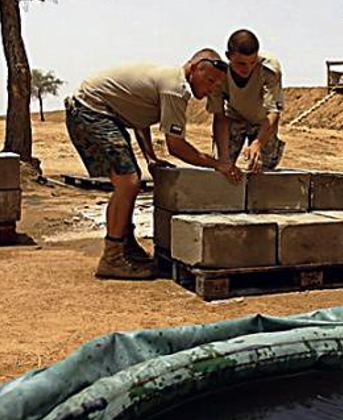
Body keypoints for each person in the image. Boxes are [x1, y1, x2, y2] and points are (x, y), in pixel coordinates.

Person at [66, 49, 242, 280]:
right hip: (90, 110)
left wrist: (150, 157)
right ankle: (112, 258)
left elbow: (139, 118)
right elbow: (176, 146)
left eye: (216, 86)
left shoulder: (167, 81)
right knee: (128, 183)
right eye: (209, 80)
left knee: (130, 181)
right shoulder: (175, 88)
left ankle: (125, 244)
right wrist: (217, 164)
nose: (211, 89)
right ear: (194, 67)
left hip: (96, 109)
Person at [206, 29, 286, 172]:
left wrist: (258, 143)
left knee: (263, 169)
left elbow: (273, 113)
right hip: (234, 119)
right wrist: (224, 159)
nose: (247, 68)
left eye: (252, 62)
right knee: (221, 167)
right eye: (241, 64)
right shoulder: (219, 75)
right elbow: (219, 117)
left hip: (262, 123)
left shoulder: (269, 70)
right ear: (229, 56)